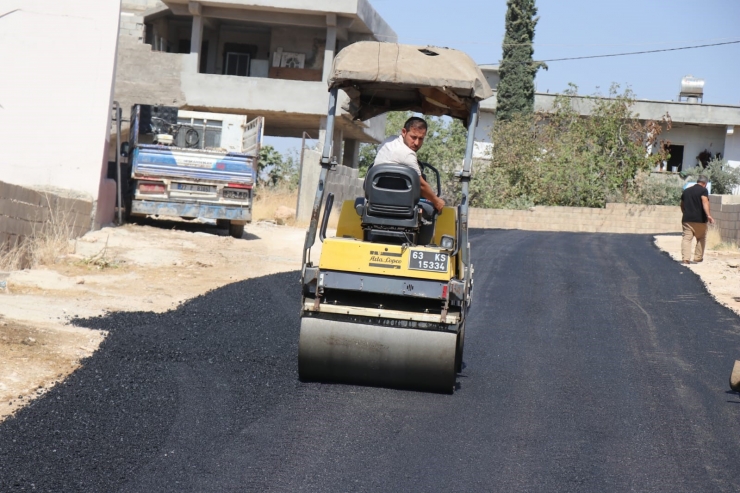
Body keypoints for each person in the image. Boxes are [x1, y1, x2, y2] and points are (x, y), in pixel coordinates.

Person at [373, 117, 446, 213]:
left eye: (421, 139)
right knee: (432, 209)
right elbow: (421, 186)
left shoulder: (389, 141)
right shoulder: (408, 154)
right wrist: (437, 201)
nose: (416, 143)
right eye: (413, 137)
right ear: (404, 132)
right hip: (402, 206)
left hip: (375, 199)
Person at [680, 175, 715, 264]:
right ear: (704, 183)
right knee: (701, 238)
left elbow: (682, 204)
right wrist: (709, 215)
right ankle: (698, 258)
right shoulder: (703, 190)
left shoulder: (686, 191)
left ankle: (685, 258)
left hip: (687, 219)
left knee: (687, 239)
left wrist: (685, 213)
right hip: (700, 219)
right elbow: (705, 202)